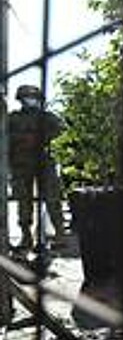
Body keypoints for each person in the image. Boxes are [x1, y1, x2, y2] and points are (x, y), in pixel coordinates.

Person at [8, 85, 67, 250]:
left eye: (33, 97)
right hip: (20, 164)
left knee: (52, 198)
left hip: (43, 162)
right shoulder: (13, 118)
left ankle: (60, 234)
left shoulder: (46, 117)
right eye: (26, 97)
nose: (30, 100)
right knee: (23, 202)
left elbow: (61, 128)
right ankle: (26, 237)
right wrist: (20, 139)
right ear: (20, 99)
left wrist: (41, 137)